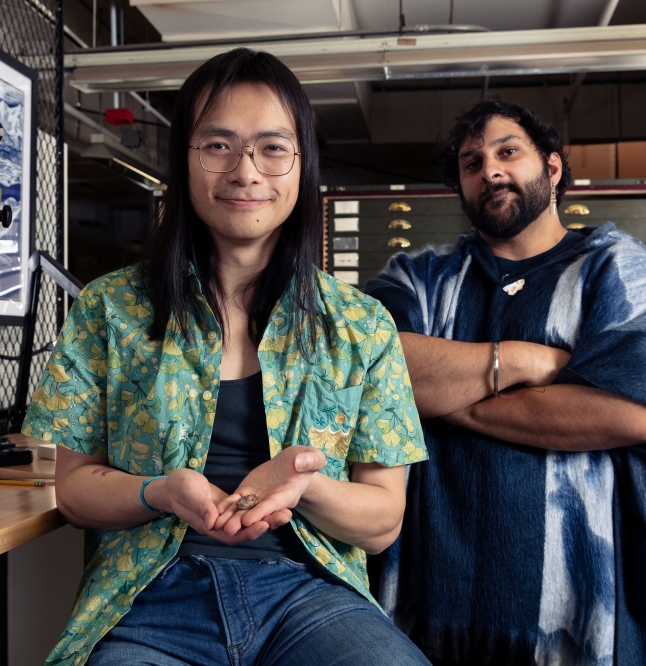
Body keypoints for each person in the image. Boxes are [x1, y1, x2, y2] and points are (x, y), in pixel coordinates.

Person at [22, 48, 429, 666]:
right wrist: (161, 491)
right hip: (153, 597)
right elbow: (75, 491)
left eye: (272, 147)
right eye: (217, 145)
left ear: (301, 165)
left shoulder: (362, 327)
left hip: (307, 596)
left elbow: (382, 523)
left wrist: (305, 485)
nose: (246, 171)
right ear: (184, 160)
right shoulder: (112, 309)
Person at [364, 98, 646, 666]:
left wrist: (439, 398)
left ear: (552, 168)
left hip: (580, 617)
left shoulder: (623, 272)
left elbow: (638, 412)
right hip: (425, 604)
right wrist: (522, 363)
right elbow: (368, 366)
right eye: (472, 162)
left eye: (508, 152)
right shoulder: (419, 279)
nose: (491, 171)